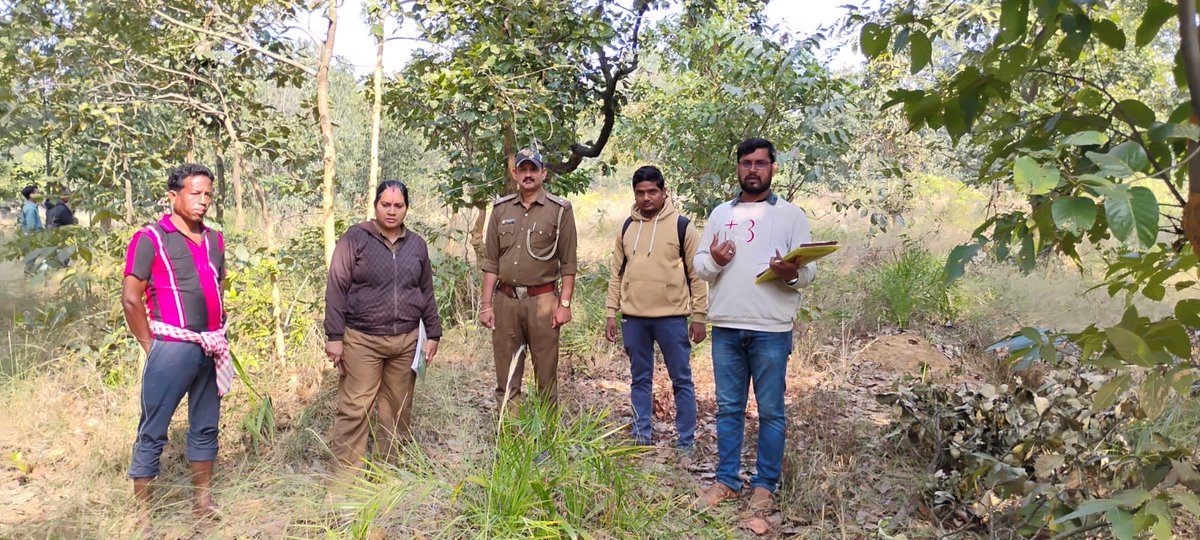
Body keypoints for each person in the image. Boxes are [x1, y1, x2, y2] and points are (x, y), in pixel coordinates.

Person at [693, 138, 817, 514]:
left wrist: (791, 272)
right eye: (746, 163)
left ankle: (765, 486)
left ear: (773, 169)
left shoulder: (792, 216)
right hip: (727, 326)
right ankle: (727, 480)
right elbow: (700, 268)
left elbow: (809, 271)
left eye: (760, 163)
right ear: (738, 168)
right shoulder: (719, 214)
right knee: (728, 409)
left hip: (771, 329)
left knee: (771, 411)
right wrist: (714, 260)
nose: (752, 169)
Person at [122, 164, 229, 518]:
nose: (203, 201)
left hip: (211, 346)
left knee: (206, 424)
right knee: (153, 429)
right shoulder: (151, 238)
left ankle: (202, 503)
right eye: (194, 193)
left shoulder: (214, 239)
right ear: (173, 196)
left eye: (208, 194)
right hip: (172, 347)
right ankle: (143, 516)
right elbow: (131, 299)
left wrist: (218, 332)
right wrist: (152, 347)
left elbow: (218, 287)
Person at [324, 180, 442, 467]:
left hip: (406, 342)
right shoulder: (355, 239)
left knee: (397, 410)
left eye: (398, 206)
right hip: (362, 340)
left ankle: (386, 476)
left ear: (406, 209)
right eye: (385, 205)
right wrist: (334, 336)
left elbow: (425, 290)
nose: (391, 211)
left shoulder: (416, 245)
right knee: (355, 409)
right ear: (375, 205)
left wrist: (433, 332)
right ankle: (344, 486)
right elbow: (337, 287)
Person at [603, 165, 707, 449]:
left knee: (681, 380)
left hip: (672, 318)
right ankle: (640, 437)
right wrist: (611, 312)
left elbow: (697, 275)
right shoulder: (627, 227)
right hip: (634, 318)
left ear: (664, 192)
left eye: (652, 192)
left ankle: (685, 442)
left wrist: (699, 315)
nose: (646, 198)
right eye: (640, 193)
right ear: (634, 195)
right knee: (639, 379)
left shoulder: (682, 226)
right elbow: (617, 273)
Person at [479, 146, 578, 406]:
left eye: (533, 168)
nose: (528, 174)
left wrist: (564, 305)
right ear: (514, 174)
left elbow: (568, 263)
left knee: (545, 378)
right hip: (506, 302)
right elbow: (491, 262)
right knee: (507, 377)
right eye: (522, 169)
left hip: (543, 302)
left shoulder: (560, 210)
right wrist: (486, 305)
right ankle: (509, 438)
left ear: (543, 173)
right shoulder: (500, 210)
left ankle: (546, 440)